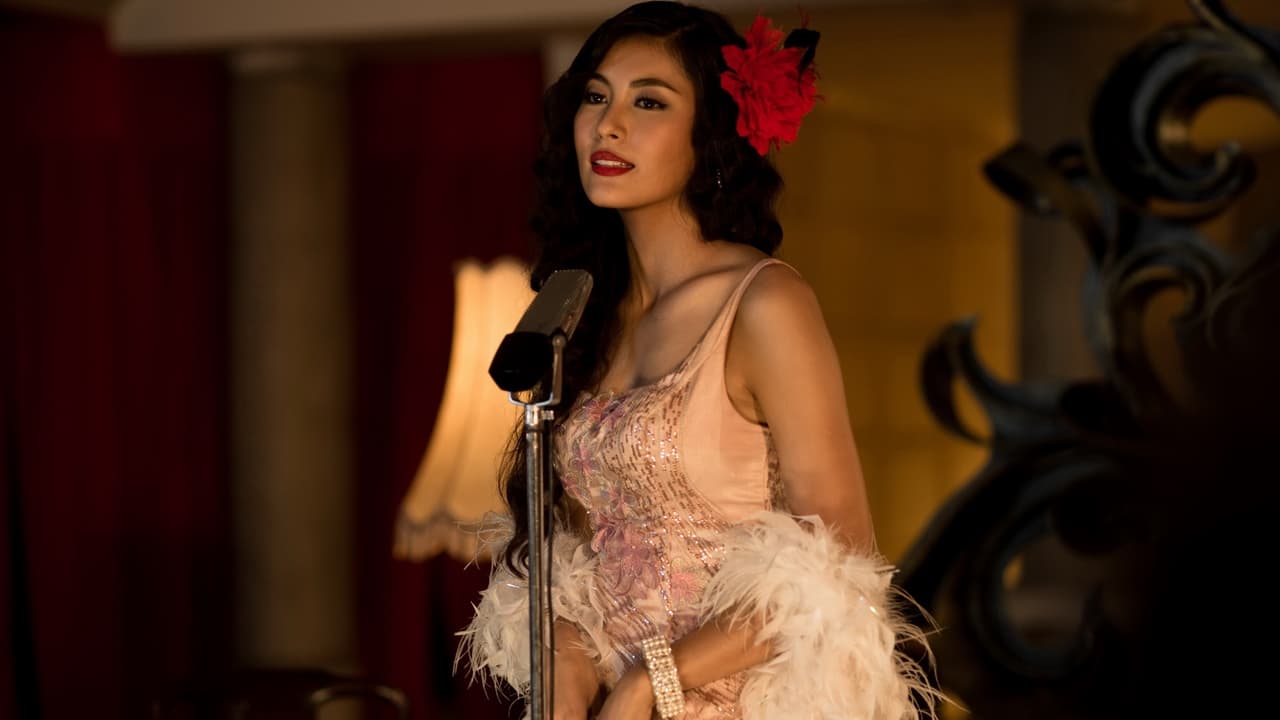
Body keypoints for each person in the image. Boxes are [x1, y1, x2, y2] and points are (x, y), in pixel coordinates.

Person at [458, 2, 938, 718]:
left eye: (649, 101)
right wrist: (563, 659)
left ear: (709, 131)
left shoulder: (764, 303)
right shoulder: (582, 316)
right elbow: (584, 556)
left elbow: (840, 559)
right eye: (596, 97)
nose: (608, 125)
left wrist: (650, 679)